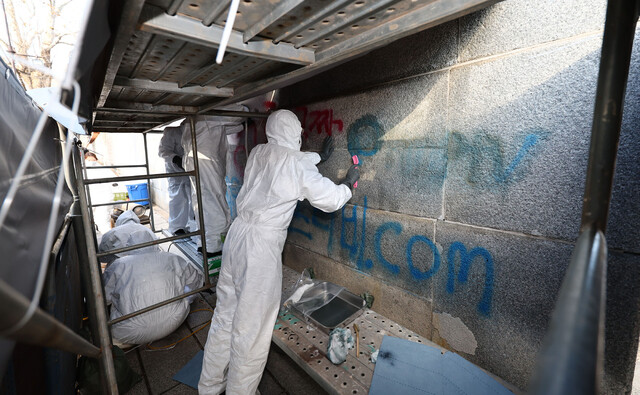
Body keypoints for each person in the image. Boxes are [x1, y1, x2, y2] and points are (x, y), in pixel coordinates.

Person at [198, 109, 360, 394]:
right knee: (252, 330)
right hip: (259, 248)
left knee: (225, 317)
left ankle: (209, 387)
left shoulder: (259, 152)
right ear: (294, 133)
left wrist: (317, 157)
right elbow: (330, 199)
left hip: (236, 238)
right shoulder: (297, 166)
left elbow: (283, 164)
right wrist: (347, 185)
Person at [181, 105, 246, 256]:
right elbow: (239, 114)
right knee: (214, 201)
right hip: (206, 161)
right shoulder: (208, 115)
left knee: (201, 201)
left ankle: (203, 242)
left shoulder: (193, 119)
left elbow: (231, 128)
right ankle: (213, 247)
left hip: (196, 161)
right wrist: (238, 107)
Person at [158, 125, 196, 235]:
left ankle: (190, 226)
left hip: (189, 170)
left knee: (192, 199)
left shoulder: (193, 132)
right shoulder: (171, 132)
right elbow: (162, 151)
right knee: (177, 199)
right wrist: (175, 158)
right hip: (175, 171)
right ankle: (177, 227)